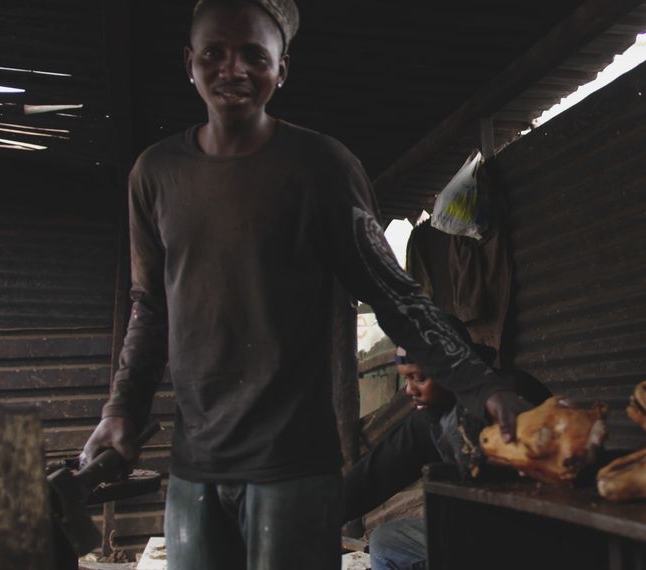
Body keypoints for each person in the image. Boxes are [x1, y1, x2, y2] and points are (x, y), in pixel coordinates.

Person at [78, 1, 529, 568]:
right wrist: (121, 410)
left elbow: (395, 294)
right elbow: (150, 307)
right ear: (189, 62)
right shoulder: (155, 174)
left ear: (281, 70)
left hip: (293, 466)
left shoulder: (321, 167)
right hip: (195, 464)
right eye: (214, 53)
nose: (232, 69)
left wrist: (480, 384)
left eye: (253, 56)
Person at [344, 317, 551, 570]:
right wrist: (318, 513)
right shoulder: (431, 418)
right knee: (386, 540)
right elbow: (374, 475)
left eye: (419, 378)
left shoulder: (513, 397)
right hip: (475, 529)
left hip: (532, 534)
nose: (409, 390)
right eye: (406, 379)